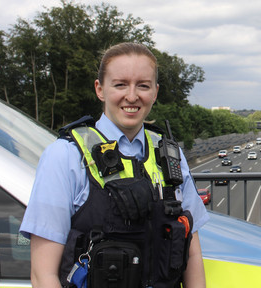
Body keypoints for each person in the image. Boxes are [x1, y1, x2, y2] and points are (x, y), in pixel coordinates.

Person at [20, 42, 209, 288]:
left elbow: (192, 252)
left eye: (143, 85)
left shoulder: (170, 155)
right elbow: (43, 275)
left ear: (155, 92)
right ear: (100, 89)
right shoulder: (65, 156)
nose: (132, 96)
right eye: (120, 84)